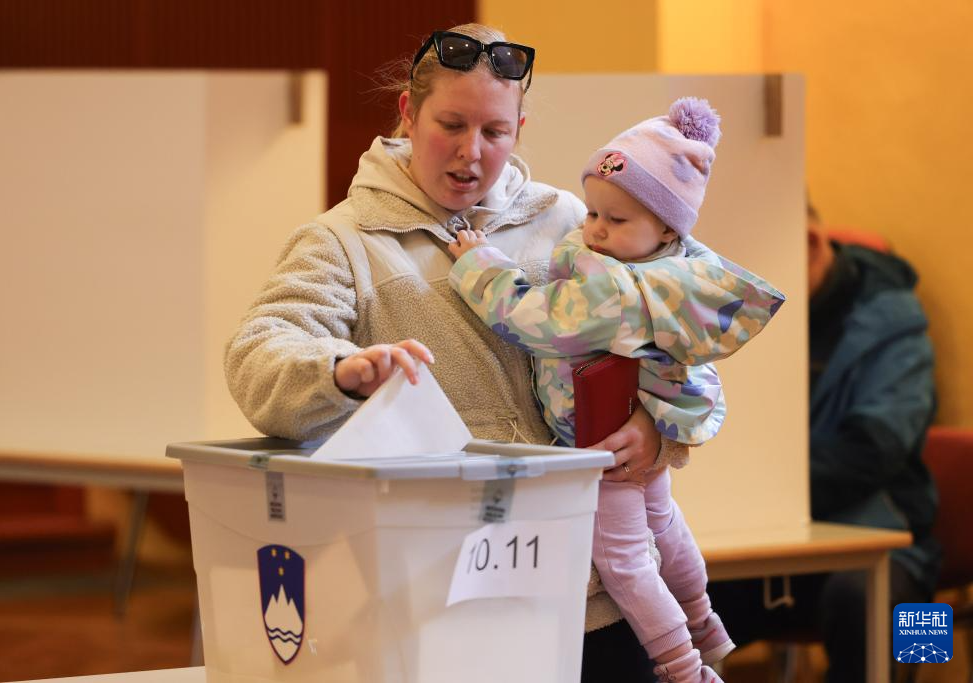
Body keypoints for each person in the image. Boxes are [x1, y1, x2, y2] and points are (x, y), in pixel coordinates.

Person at [225, 23, 679, 681]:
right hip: (444, 606)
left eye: (495, 131)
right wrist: (339, 373)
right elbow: (258, 355)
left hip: (597, 597)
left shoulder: (572, 223)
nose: (471, 152)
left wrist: (658, 428)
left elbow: (671, 331)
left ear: (520, 129)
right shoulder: (342, 241)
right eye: (451, 124)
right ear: (408, 115)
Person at [447, 99, 785, 682]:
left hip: (604, 447)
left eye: (617, 220)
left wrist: (480, 265)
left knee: (624, 563)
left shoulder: (617, 291)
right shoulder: (682, 270)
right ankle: (705, 625)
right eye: (593, 213)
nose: (596, 229)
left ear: (666, 226)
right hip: (640, 435)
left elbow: (533, 320)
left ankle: (684, 668)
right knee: (666, 528)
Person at [705, 206, 940, 682]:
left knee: (887, 617)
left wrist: (764, 488)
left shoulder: (898, 324)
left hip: (894, 545)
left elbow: (875, 449)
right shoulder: (758, 322)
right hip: (773, 548)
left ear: (812, 245)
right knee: (652, 608)